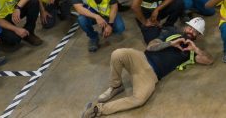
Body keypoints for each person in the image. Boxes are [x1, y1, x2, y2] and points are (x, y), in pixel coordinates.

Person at [80, 18, 213, 118]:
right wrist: (170, 43)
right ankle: (116, 86)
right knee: (118, 54)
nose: (191, 32)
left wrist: (196, 49)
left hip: (151, 76)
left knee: (139, 99)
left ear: (198, 36)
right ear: (185, 27)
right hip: (140, 59)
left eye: (195, 32)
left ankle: (97, 110)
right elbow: (150, 46)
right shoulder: (172, 33)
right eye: (190, 28)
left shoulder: (192, 52)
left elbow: (209, 61)